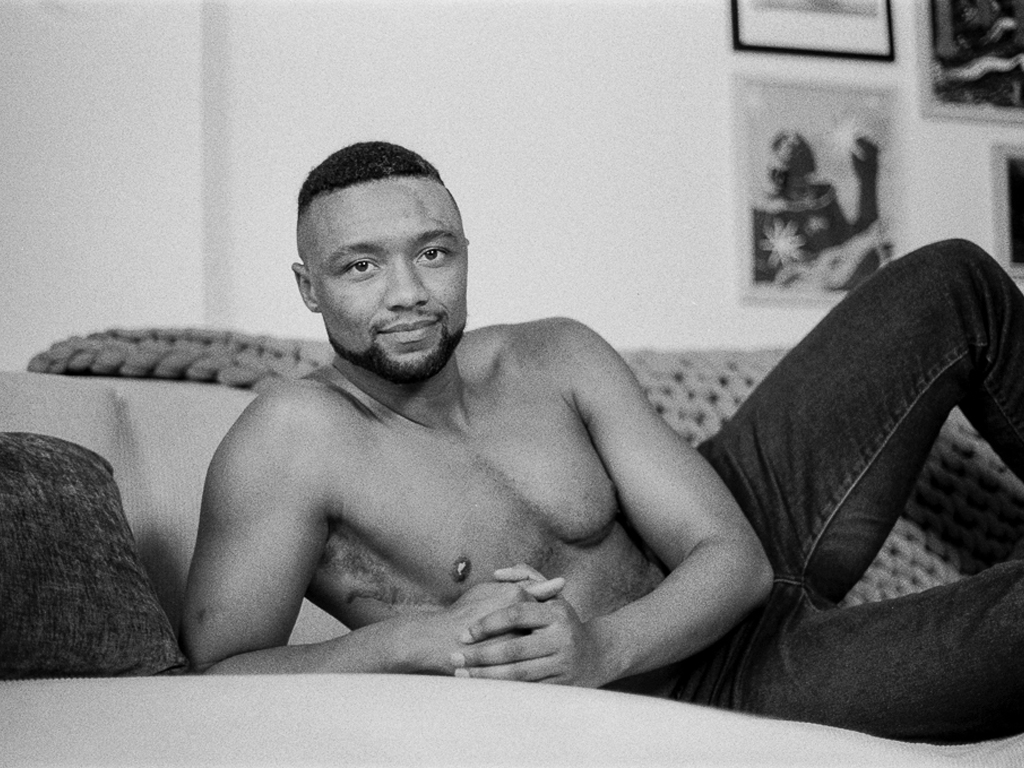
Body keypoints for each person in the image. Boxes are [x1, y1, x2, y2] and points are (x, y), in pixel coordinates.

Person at [181, 141, 1024, 742]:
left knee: (950, 283)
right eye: (360, 267)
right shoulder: (292, 439)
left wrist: (598, 646)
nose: (408, 293)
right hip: (706, 687)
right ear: (308, 288)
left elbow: (734, 556)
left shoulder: (552, 353)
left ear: (465, 255)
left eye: (432, 254)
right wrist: (406, 639)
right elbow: (216, 678)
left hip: (729, 545)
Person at [752, 130, 888, 291]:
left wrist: (867, 177)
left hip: (834, 280)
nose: (806, 192)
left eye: (806, 179)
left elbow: (855, 239)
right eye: (796, 183)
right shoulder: (766, 216)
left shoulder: (822, 201)